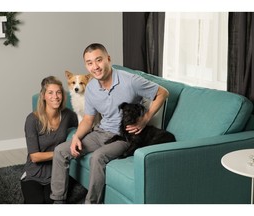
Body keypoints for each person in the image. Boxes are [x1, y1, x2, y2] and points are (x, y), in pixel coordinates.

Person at [50, 43, 169, 204]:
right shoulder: (91, 87)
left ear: (108, 59)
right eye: (90, 63)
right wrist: (77, 137)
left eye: (99, 60)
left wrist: (145, 119)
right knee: (60, 151)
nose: (95, 66)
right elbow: (88, 119)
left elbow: (163, 92)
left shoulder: (130, 81)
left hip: (123, 137)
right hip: (100, 132)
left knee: (97, 157)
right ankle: (57, 201)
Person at [21, 76, 78, 204]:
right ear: (43, 96)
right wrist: (61, 153)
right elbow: (35, 156)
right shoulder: (32, 120)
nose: (55, 96)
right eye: (50, 93)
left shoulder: (68, 115)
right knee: (36, 203)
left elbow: (83, 124)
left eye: (58, 92)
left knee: (50, 202)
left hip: (56, 172)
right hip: (34, 173)